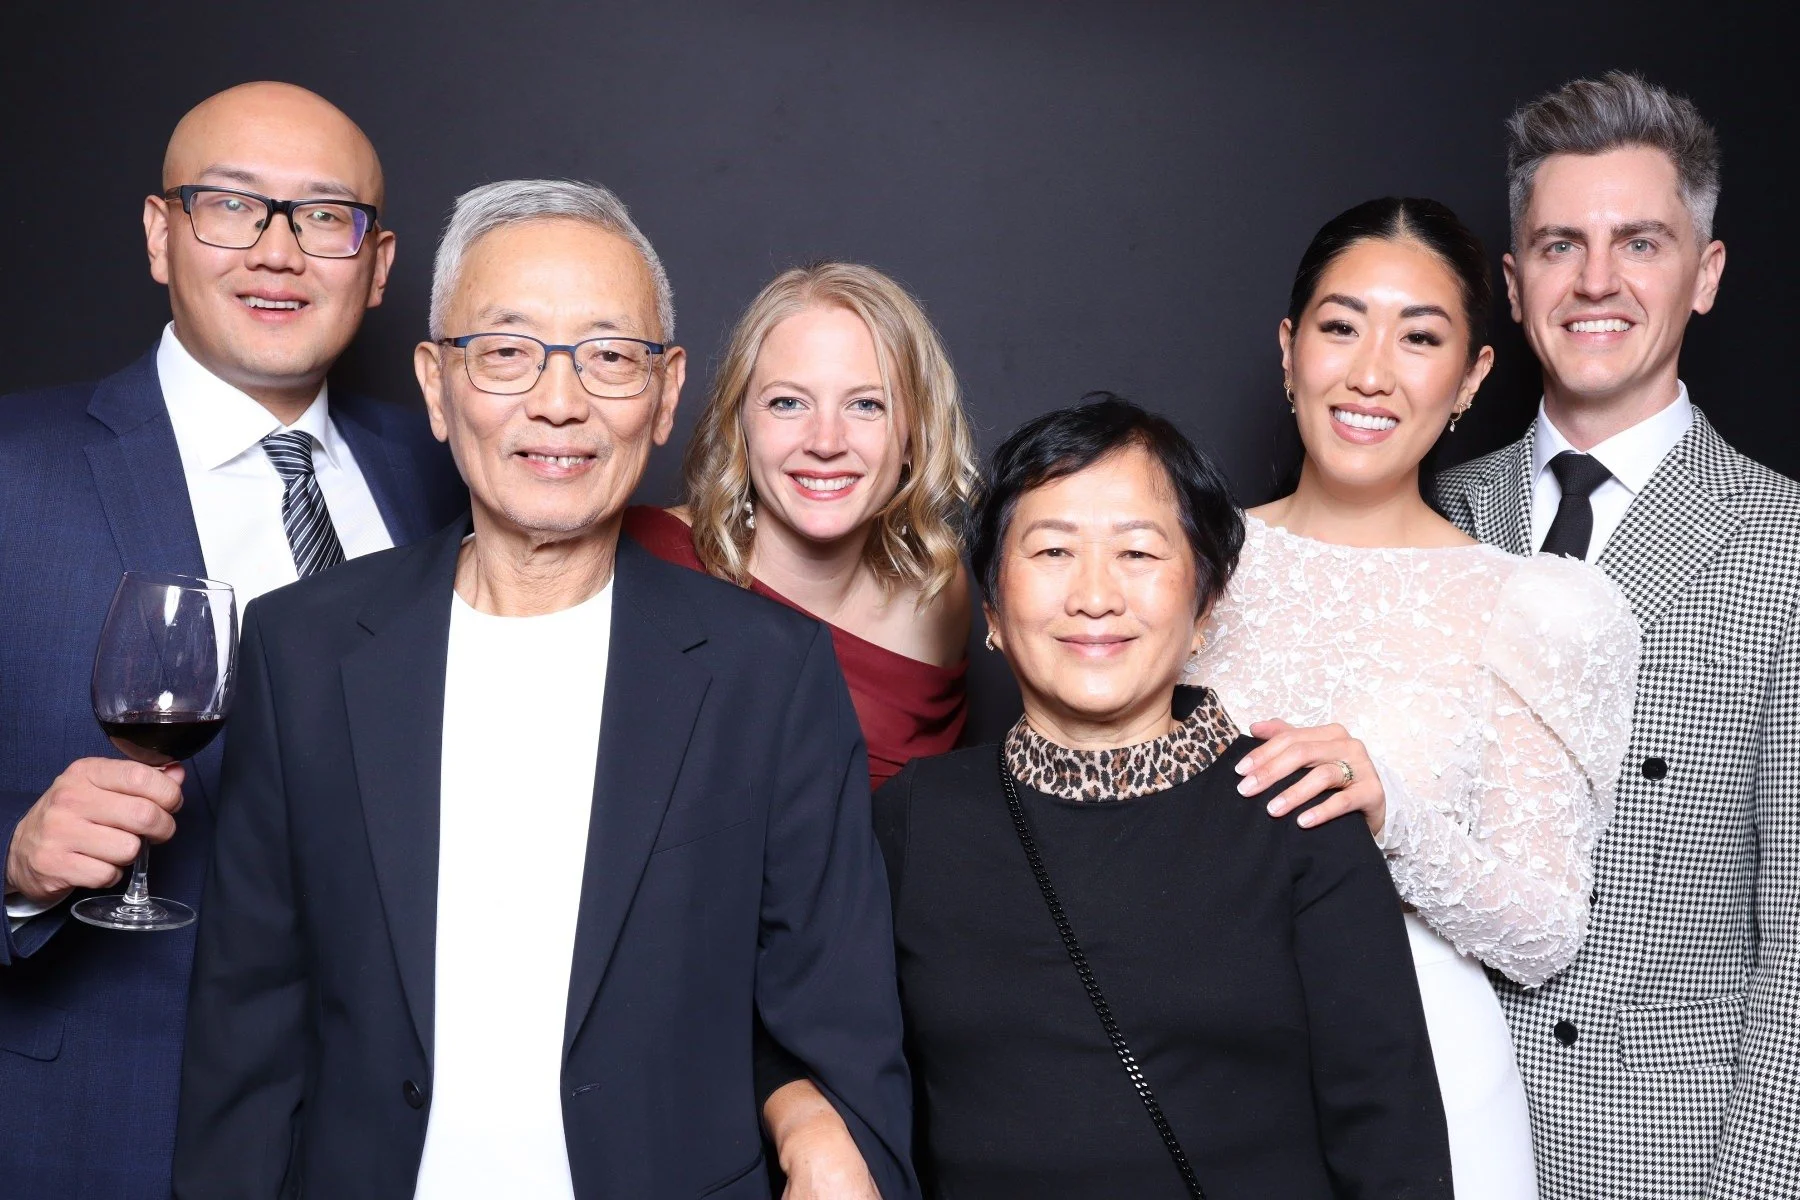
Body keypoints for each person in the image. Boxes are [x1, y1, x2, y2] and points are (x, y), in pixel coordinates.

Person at [170, 179, 916, 1200]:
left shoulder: (767, 675)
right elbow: (246, 1033)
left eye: (609, 356)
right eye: (508, 351)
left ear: (664, 395)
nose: (558, 402)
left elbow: (840, 1029)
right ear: (436, 385)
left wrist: (834, 1141)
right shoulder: (304, 651)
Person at [0, 82, 464, 1200]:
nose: (278, 251)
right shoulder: (15, 473)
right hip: (102, 1126)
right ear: (161, 236)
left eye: (323, 217)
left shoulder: (444, 473)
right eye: (232, 207)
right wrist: (11, 869)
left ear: (380, 263)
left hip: (394, 1133)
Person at [875, 396, 1453, 1197]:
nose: (1094, 595)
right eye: (1050, 552)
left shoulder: (1296, 810)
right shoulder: (912, 818)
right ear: (993, 611)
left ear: (1205, 608)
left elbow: (1390, 1136)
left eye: (1139, 554)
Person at [1192, 196, 1641, 1199]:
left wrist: (1390, 810)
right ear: (1288, 348)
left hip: (1427, 1068)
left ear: (1474, 375)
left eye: (1421, 337)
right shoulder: (1178, 567)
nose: (1371, 373)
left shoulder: (1532, 608)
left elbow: (1545, 929)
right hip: (1193, 1055)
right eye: (1340, 326)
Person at [1435, 72, 1800, 1200]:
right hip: (1430, 1130)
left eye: (1641, 243)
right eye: (1559, 246)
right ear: (1512, 279)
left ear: (1707, 274)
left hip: (1662, 1158)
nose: (1597, 282)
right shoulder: (1437, 509)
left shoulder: (1785, 547)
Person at [624, 261, 977, 790]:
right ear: (740, 421)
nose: (826, 441)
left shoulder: (938, 591)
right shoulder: (645, 559)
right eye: (788, 402)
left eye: (866, 404)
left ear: (914, 434)